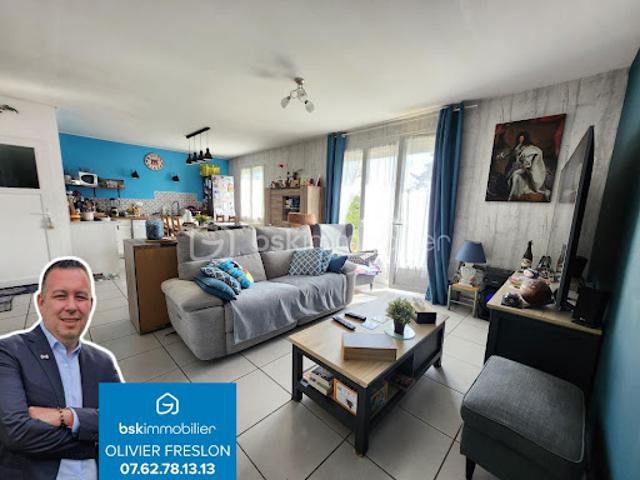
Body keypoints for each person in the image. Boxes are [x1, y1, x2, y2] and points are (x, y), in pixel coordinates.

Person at [0, 257, 122, 480]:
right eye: (60, 296)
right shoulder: (9, 352)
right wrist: (95, 439)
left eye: (80, 297)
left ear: (91, 304)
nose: (72, 306)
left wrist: (67, 417)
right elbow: (16, 433)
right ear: (41, 302)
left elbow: (125, 427)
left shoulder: (103, 362)